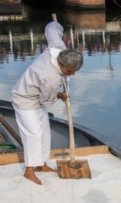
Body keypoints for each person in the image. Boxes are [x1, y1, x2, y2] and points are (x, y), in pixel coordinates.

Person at [11, 28, 83, 185]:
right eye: (69, 71)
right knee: (33, 134)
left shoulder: (58, 50)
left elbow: (52, 31)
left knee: (44, 132)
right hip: (24, 99)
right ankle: (29, 171)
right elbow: (47, 101)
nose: (72, 74)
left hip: (37, 96)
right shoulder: (49, 77)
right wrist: (60, 96)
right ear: (61, 64)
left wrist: (57, 25)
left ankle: (41, 164)